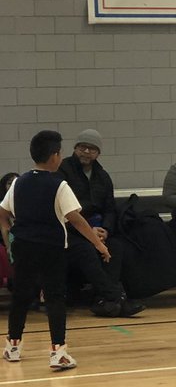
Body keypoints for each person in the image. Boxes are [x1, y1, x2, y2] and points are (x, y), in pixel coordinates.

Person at [1, 131, 110, 371]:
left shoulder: (19, 181)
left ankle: (12, 346)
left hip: (24, 246)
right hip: (51, 248)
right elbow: (76, 219)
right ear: (55, 156)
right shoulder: (59, 184)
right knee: (55, 298)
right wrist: (99, 244)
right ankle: (57, 352)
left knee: (21, 295)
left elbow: (3, 213)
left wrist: (9, 240)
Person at [58, 130, 144, 317]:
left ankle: (102, 300)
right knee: (86, 250)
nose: (87, 152)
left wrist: (106, 229)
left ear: (98, 153)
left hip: (98, 228)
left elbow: (109, 208)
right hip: (70, 231)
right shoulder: (63, 171)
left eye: (92, 149)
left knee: (117, 247)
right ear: (75, 148)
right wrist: (88, 231)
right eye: (83, 147)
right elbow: (63, 210)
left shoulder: (102, 176)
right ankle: (115, 297)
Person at [0, 172, 18, 291]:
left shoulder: (27, 202)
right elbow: (5, 228)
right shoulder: (2, 205)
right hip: (5, 243)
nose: (13, 186)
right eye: (10, 183)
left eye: (16, 183)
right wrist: (8, 247)